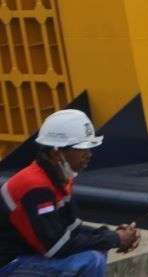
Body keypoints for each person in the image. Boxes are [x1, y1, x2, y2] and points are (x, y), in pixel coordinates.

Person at [0, 110, 140, 275]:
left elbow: (72, 229)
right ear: (57, 152)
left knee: (98, 249)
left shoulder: (57, 179)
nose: (88, 155)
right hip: (9, 263)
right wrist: (115, 238)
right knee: (91, 261)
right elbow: (56, 247)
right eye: (82, 149)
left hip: (29, 255)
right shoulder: (36, 187)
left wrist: (111, 234)